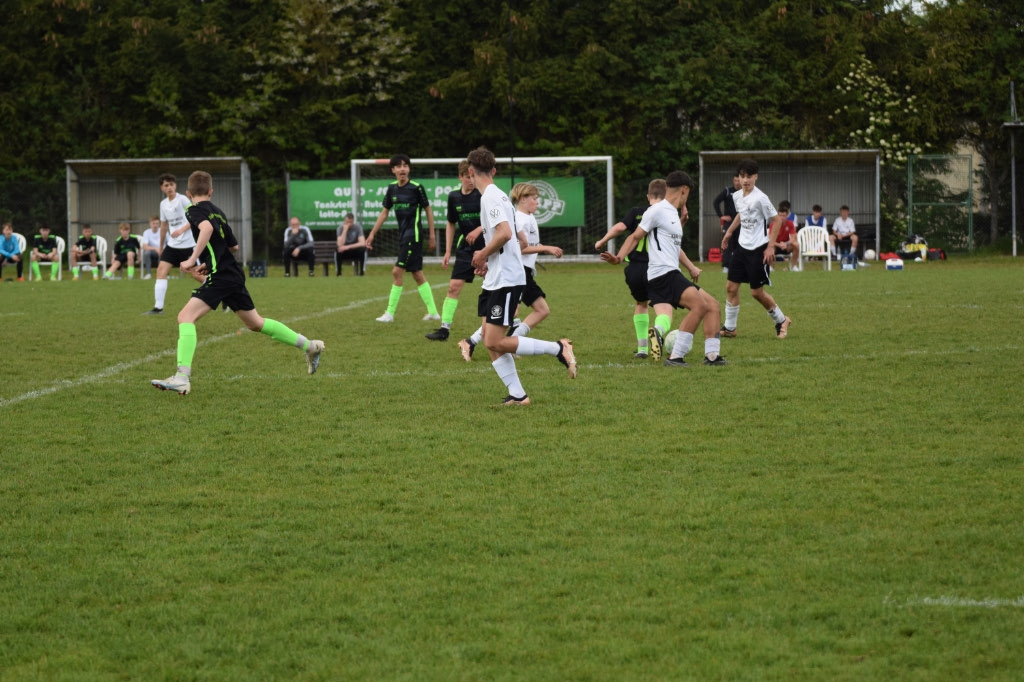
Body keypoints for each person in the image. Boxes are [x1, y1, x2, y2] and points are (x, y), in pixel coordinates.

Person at [151, 170, 324, 396]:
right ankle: (310, 346)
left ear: (188, 193)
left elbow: (207, 229)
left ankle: (182, 378)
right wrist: (210, 262)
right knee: (255, 323)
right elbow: (233, 247)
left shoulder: (192, 210)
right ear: (211, 191)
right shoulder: (219, 212)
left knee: (185, 317)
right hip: (232, 272)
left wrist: (193, 259)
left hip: (222, 275)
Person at [463, 147, 576, 405]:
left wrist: (482, 254)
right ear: (494, 170)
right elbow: (512, 240)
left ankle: (558, 348)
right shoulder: (497, 196)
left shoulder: (491, 197)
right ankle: (518, 394)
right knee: (490, 341)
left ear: (470, 172)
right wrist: (488, 261)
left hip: (507, 279)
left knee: (494, 340)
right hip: (497, 276)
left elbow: (504, 234)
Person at [602, 171, 725, 367]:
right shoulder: (657, 211)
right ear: (684, 190)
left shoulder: (673, 213)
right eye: (688, 194)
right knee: (700, 306)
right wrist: (618, 258)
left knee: (713, 305)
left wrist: (690, 265)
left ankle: (712, 356)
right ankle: (676, 357)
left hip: (671, 272)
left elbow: (670, 244)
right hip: (663, 274)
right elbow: (634, 236)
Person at [719, 158, 792, 339]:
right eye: (742, 176)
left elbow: (777, 220)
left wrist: (770, 247)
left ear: (756, 177)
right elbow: (741, 214)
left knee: (756, 293)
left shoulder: (761, 198)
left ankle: (782, 320)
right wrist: (729, 233)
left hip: (758, 250)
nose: (745, 180)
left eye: (749, 176)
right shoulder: (737, 196)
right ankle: (730, 328)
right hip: (741, 248)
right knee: (731, 287)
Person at [594, 180, 666, 359]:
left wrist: (602, 241)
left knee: (641, 303)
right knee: (662, 304)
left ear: (648, 196)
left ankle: (642, 349)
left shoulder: (636, 212)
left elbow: (620, 227)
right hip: (656, 267)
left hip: (634, 269)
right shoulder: (666, 213)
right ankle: (658, 332)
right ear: (666, 197)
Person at [365, 154, 440, 323]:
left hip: (414, 236)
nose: (402, 169)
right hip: (403, 236)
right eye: (398, 166)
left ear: (409, 169)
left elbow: (428, 210)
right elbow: (384, 213)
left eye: (405, 166)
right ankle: (433, 312)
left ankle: (389, 313)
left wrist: (432, 235)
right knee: (417, 274)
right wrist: (372, 233)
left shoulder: (416, 188)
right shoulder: (392, 189)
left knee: (396, 271)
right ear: (393, 170)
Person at [426, 161, 482, 342]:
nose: (471, 180)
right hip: (465, 249)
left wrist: (478, 229)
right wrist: (447, 251)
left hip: (487, 248)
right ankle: (444, 330)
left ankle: (511, 325)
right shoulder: (453, 197)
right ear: (460, 177)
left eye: (473, 176)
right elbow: (451, 223)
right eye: (467, 177)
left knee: (496, 288)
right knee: (453, 287)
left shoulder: (483, 194)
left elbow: (494, 220)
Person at [506, 182, 563, 338]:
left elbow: (531, 244)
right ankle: (473, 341)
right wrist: (546, 248)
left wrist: (544, 247)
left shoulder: (529, 217)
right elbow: (520, 249)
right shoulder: (520, 219)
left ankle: (514, 339)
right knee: (511, 313)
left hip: (525, 273)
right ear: (523, 199)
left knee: (542, 310)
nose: (537, 202)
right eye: (534, 198)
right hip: (518, 271)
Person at [145, 173, 196, 314]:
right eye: (166, 185)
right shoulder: (163, 204)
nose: (169, 187)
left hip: (188, 245)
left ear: (175, 185)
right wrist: (161, 247)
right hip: (172, 245)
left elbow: (194, 218)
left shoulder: (183, 200)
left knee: (197, 275)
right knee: (161, 272)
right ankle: (158, 308)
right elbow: (163, 226)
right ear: (162, 188)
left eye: (171, 184)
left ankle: (223, 294)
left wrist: (181, 230)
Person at [713, 174, 742, 271]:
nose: (737, 183)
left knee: (740, 244)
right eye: (735, 180)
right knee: (727, 243)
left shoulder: (744, 192)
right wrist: (721, 216)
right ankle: (726, 266)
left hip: (740, 223)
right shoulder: (727, 191)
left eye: (738, 180)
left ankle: (739, 266)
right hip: (729, 223)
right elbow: (716, 202)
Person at [775, 200, 801, 271]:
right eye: (780, 215)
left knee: (796, 244)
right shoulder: (774, 223)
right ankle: (770, 267)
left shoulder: (791, 222)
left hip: (786, 245)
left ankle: (794, 266)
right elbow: (771, 240)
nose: (782, 217)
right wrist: (779, 245)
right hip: (776, 245)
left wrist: (786, 243)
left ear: (787, 215)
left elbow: (793, 236)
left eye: (783, 215)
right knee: (768, 245)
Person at [140, 215, 162, 280]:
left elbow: (169, 243)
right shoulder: (146, 232)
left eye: (157, 223)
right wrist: (156, 248)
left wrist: (160, 250)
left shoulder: (163, 231)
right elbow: (145, 246)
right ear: (150, 224)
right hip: (152, 252)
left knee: (163, 253)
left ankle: (162, 274)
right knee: (146, 253)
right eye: (153, 223)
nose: (155, 225)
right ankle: (148, 274)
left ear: (159, 224)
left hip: (162, 251)